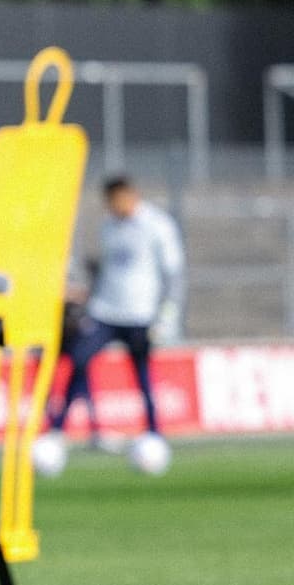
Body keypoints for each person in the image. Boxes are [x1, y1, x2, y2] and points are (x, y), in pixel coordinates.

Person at [44, 176, 185, 442]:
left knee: (142, 373)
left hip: (141, 313)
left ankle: (154, 432)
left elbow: (173, 274)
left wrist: (166, 315)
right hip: (106, 311)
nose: (113, 207)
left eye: (116, 200)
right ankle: (58, 428)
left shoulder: (157, 225)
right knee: (79, 358)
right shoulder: (108, 226)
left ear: (130, 195)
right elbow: (107, 270)